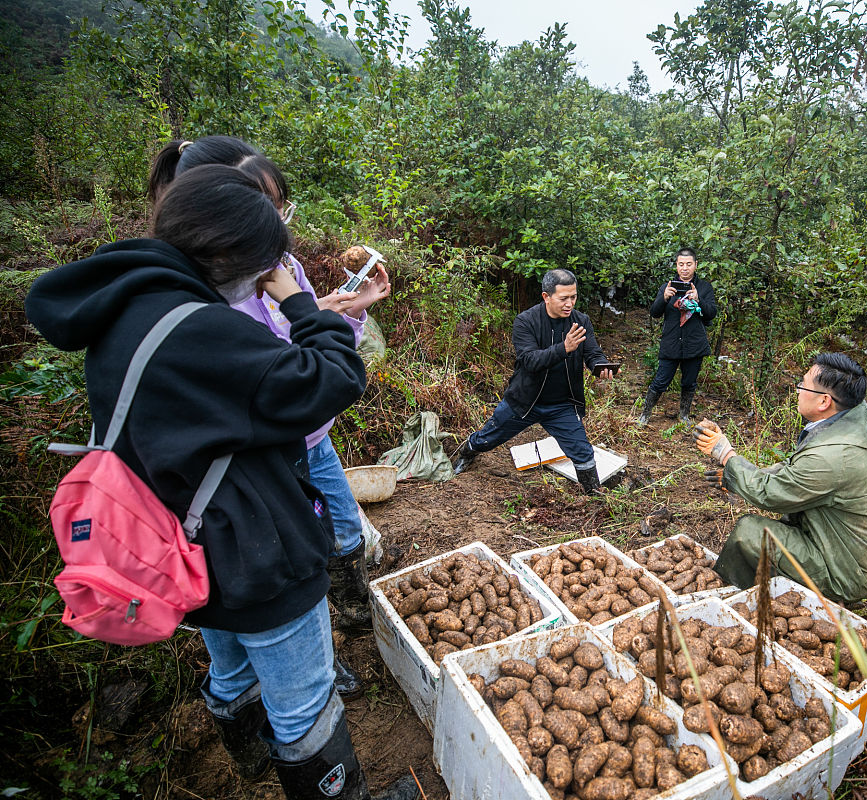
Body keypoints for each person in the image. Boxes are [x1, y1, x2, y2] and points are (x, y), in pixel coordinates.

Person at [25, 166, 415, 800]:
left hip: (186, 538)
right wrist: (293, 297)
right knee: (305, 705)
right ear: (239, 259)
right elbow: (333, 380)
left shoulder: (128, 305)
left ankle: (247, 752)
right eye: (269, 259)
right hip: (253, 554)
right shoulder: (205, 331)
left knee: (230, 662)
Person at [149, 136, 391, 698]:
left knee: (343, 533)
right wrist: (314, 315)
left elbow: (313, 349)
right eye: (266, 208)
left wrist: (345, 311)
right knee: (256, 594)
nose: (277, 223)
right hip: (251, 464)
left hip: (310, 440)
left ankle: (345, 626)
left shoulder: (282, 269)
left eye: (281, 207)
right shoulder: (206, 299)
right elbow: (294, 374)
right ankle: (305, 673)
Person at [694, 353, 867, 604]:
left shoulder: (832, 456)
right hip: (832, 545)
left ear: (824, 401)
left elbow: (772, 494)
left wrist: (726, 454)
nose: (798, 390)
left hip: (844, 571)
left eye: (803, 385)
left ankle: (732, 596)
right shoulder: (844, 424)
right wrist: (737, 475)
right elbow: (793, 471)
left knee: (751, 532)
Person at [452, 269, 614, 494]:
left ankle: (594, 495)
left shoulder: (581, 321)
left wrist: (600, 366)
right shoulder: (525, 321)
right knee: (488, 438)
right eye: (563, 298)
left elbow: (592, 352)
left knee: (582, 451)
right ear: (546, 297)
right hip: (525, 401)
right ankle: (468, 451)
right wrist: (563, 348)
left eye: (574, 297)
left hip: (562, 404)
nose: (570, 304)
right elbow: (529, 361)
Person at [639, 247, 719, 426]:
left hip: (694, 344)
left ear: (696, 265)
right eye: (681, 264)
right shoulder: (668, 287)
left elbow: (711, 313)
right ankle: (645, 415)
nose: (685, 268)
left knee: (689, 383)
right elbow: (655, 312)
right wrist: (664, 298)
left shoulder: (704, 287)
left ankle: (683, 416)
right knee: (660, 381)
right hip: (671, 343)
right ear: (676, 265)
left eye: (689, 264)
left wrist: (699, 299)